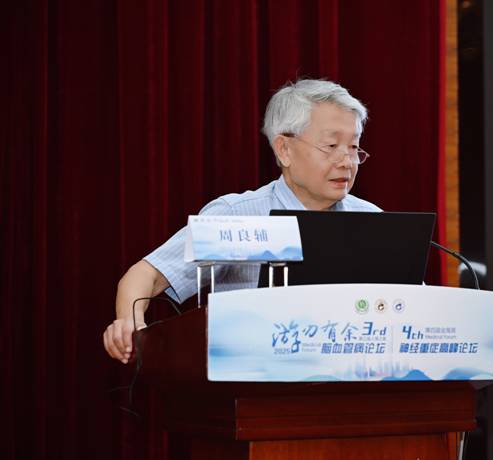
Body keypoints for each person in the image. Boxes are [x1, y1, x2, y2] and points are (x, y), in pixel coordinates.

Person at [103, 79, 381, 364]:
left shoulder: (373, 222)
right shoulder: (236, 216)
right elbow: (146, 275)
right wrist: (129, 323)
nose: (347, 162)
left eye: (353, 147)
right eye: (331, 145)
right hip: (252, 378)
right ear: (284, 149)